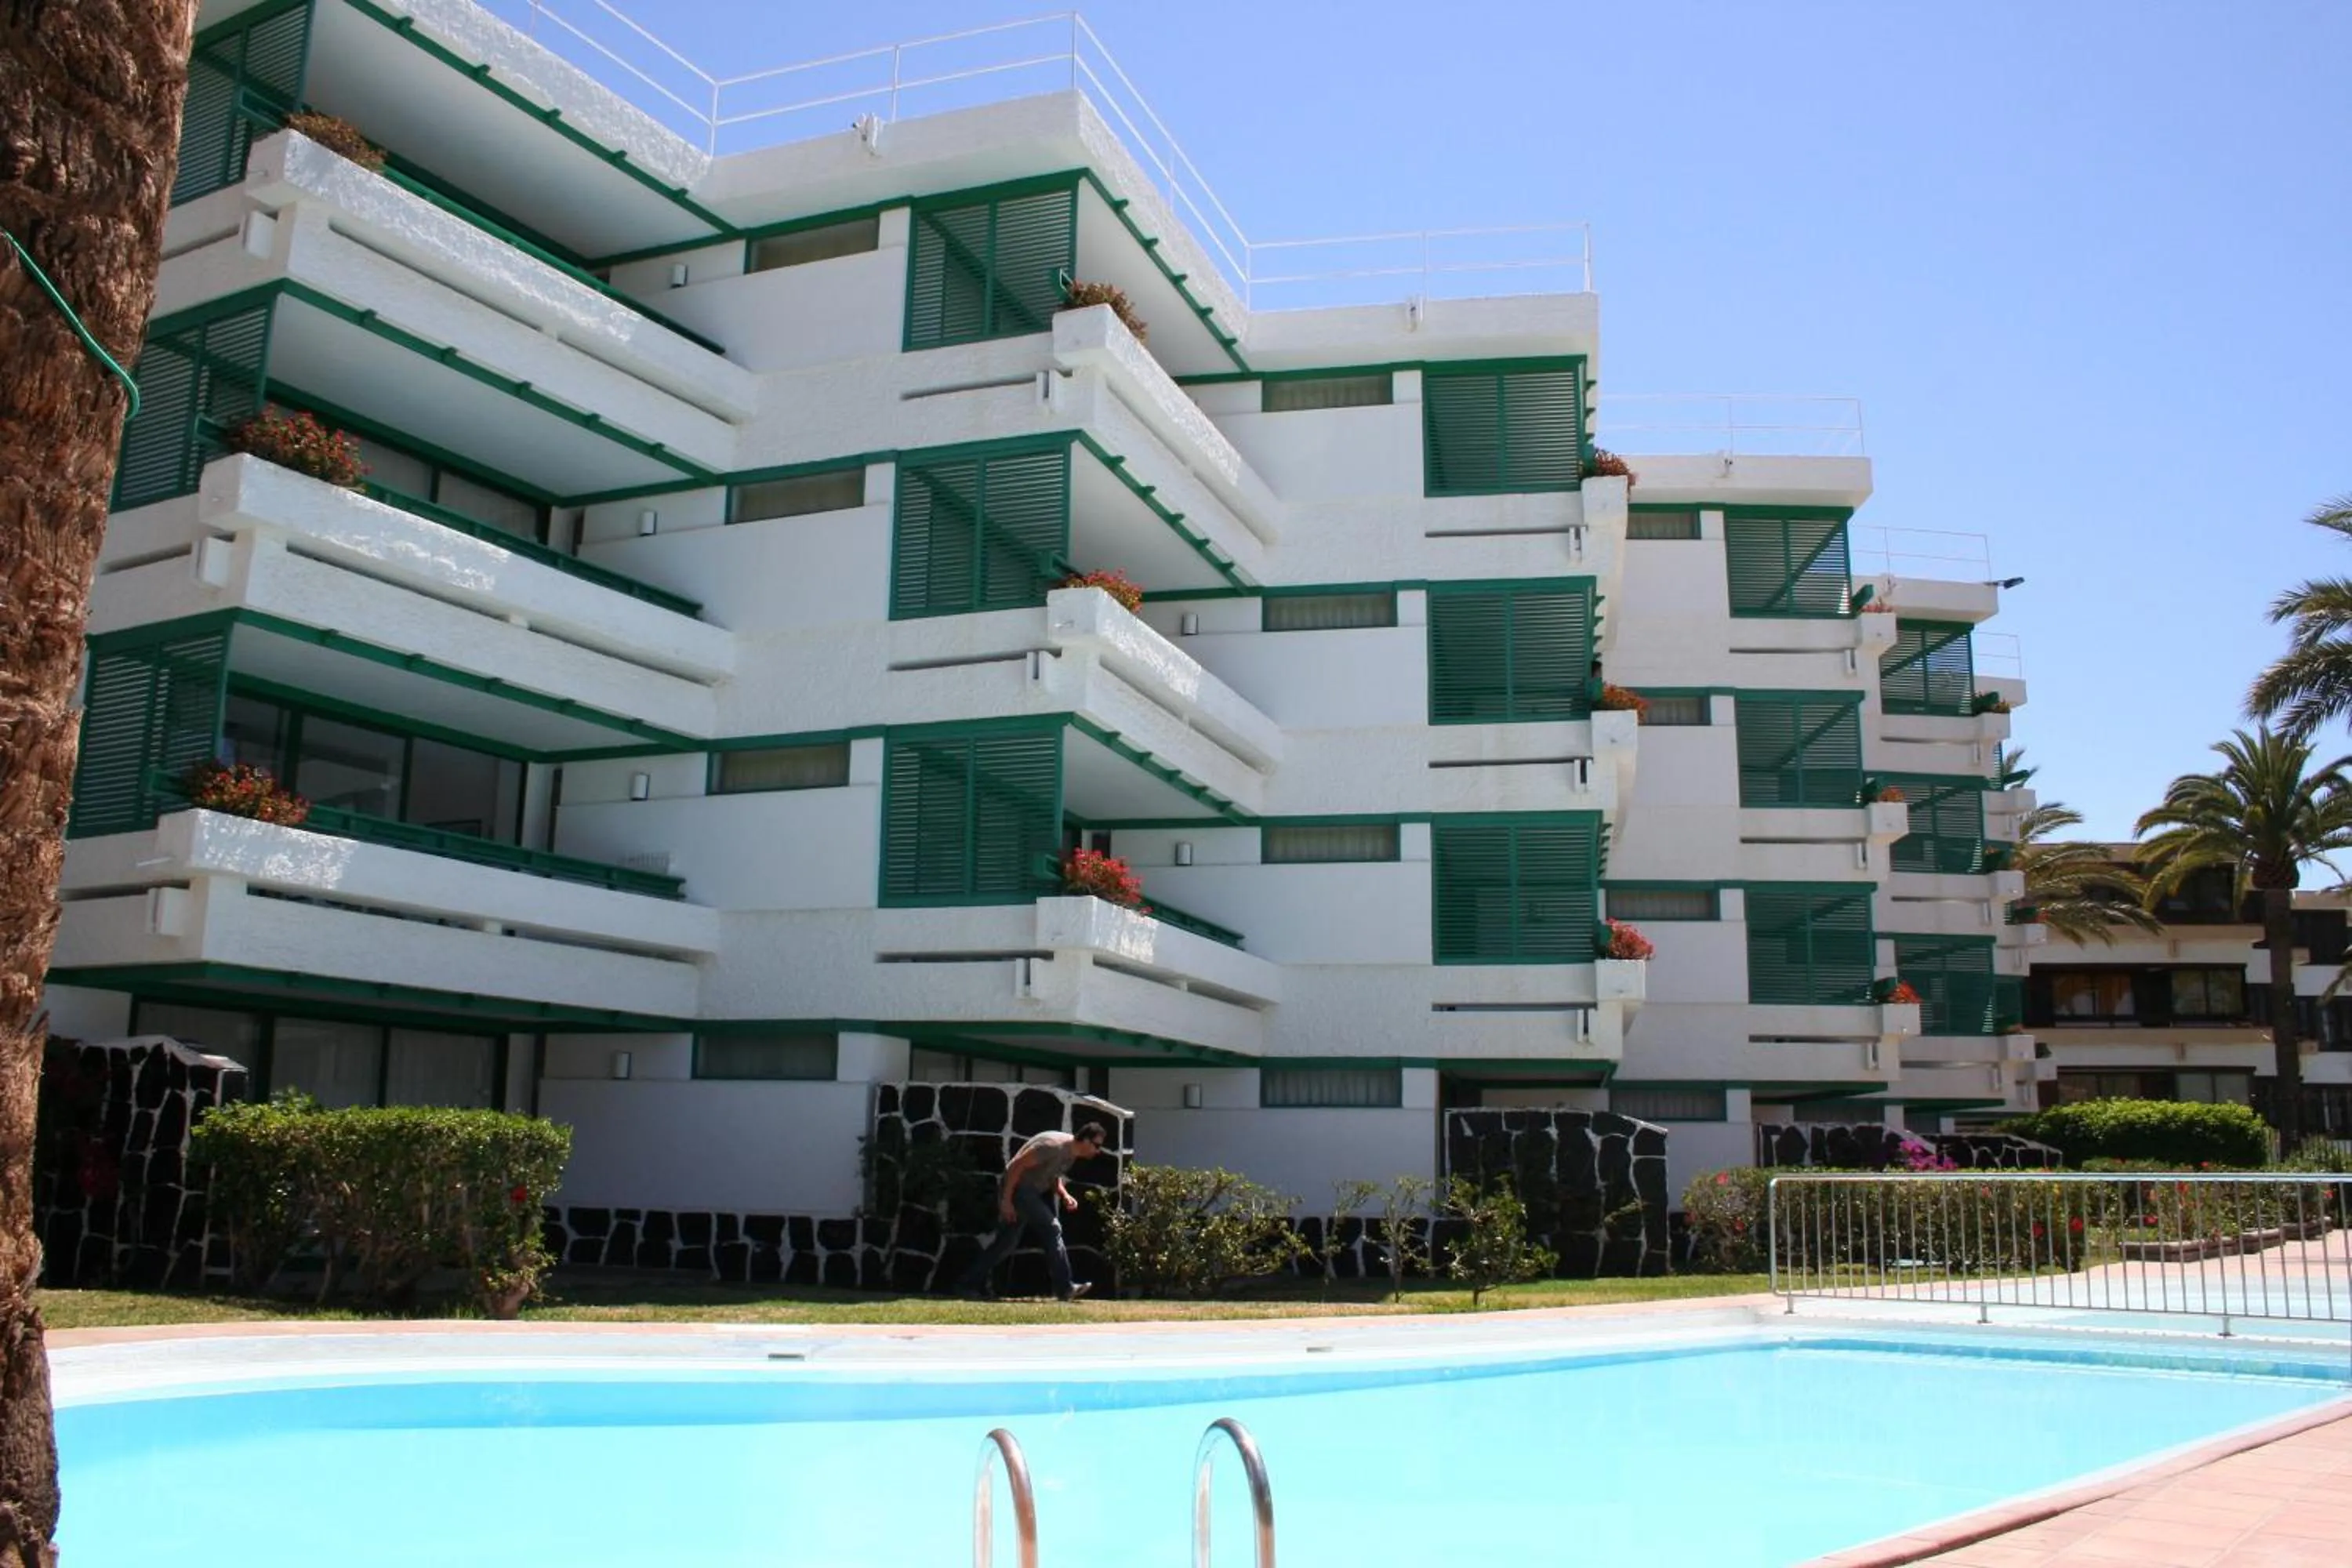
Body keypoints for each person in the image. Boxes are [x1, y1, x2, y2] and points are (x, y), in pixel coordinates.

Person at [956, 1121, 1109, 1302]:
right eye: (1097, 1145)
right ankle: (1065, 1288)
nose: (1098, 1151)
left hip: (1029, 1192)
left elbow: (1053, 1175)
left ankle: (966, 1285)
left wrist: (1064, 1194)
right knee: (1052, 1228)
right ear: (1085, 1140)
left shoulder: (1071, 1154)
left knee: (1005, 1244)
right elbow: (1016, 1166)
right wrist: (1006, 1200)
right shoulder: (1053, 1147)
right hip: (1018, 1189)